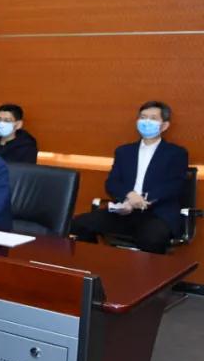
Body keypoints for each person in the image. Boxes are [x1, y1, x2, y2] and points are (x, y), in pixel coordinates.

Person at [70, 101, 189, 254]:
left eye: (153, 118)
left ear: (164, 126)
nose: (147, 122)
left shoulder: (176, 153)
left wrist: (143, 199)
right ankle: (94, 263)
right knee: (78, 225)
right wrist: (129, 196)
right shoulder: (124, 151)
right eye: (143, 117)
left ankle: (147, 271)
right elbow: (112, 183)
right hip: (124, 210)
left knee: (153, 238)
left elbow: (174, 186)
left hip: (157, 214)